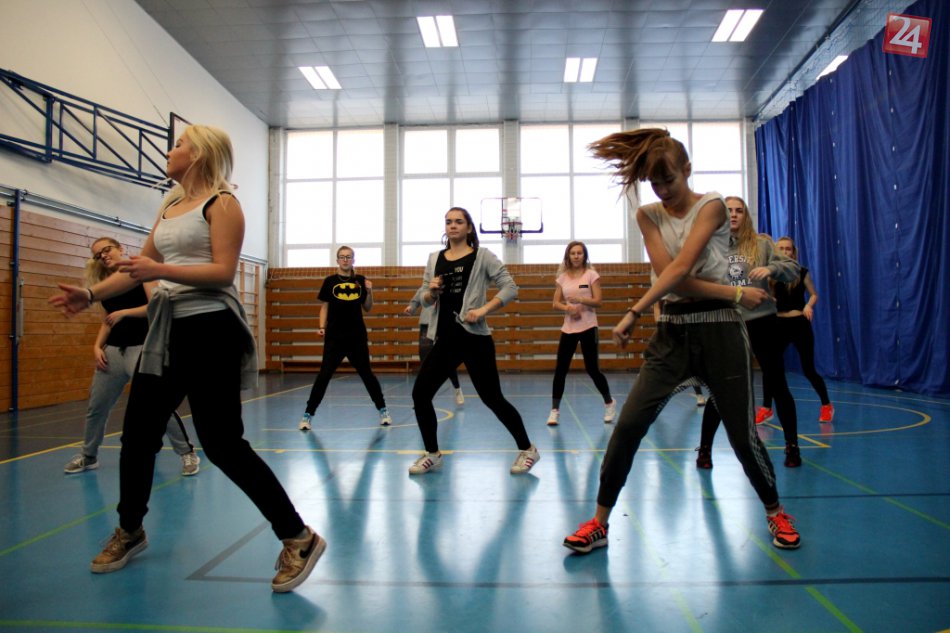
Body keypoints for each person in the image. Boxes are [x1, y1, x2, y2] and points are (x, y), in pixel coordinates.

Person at [49, 124, 324, 592]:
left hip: (211, 330)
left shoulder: (223, 203)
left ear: (198, 155)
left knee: (223, 444)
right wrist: (90, 294)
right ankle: (130, 529)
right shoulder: (170, 206)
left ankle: (298, 537)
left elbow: (222, 272)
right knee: (138, 435)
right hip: (168, 331)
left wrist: (159, 269)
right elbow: (136, 269)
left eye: (179, 144)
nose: (170, 150)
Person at [562, 128, 801, 554]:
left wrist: (635, 311)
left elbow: (679, 270)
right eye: (654, 183)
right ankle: (599, 522)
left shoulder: (712, 205)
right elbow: (675, 279)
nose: (662, 190)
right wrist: (735, 292)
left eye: (669, 179)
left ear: (687, 170)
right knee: (628, 426)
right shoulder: (647, 215)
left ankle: (775, 510)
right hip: (672, 332)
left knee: (742, 436)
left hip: (721, 331)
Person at [408, 207, 539, 475]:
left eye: (459, 221)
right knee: (420, 394)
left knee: (492, 398)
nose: (453, 225)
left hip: (474, 339)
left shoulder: (482, 256)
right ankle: (432, 453)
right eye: (448, 222)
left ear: (468, 227)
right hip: (445, 339)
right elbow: (424, 298)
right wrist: (431, 293)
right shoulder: (434, 259)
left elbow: (510, 287)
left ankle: (528, 449)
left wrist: (483, 310)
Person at [63, 237, 200, 477]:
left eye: (107, 250)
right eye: (98, 255)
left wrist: (125, 312)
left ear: (120, 248)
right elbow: (107, 320)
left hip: (142, 349)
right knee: (97, 407)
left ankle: (187, 452)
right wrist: (97, 346)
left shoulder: (140, 273)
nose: (103, 256)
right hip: (113, 353)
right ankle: (89, 456)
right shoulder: (106, 284)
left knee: (157, 405)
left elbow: (155, 305)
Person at [695, 197, 802, 469]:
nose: (733, 215)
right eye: (728, 210)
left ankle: (792, 446)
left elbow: (793, 269)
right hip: (728, 324)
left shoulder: (762, 244)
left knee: (778, 384)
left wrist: (772, 268)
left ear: (746, 215)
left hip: (763, 322)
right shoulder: (711, 246)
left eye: (739, 211)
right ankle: (704, 449)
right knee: (721, 389)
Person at [298, 246, 392, 430]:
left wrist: (370, 292)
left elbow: (368, 307)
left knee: (367, 374)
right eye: (342, 257)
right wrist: (321, 327)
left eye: (348, 257)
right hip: (334, 337)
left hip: (356, 337)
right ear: (337, 260)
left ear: (353, 260)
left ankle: (383, 411)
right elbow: (324, 306)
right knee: (324, 375)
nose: (345, 260)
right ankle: (308, 415)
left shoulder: (360, 280)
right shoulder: (330, 281)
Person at [759, 236, 834, 423]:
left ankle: (826, 405)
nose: (785, 252)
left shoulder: (801, 272)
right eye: (782, 249)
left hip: (799, 324)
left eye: (788, 249)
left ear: (793, 252)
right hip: (778, 324)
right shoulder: (771, 274)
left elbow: (814, 294)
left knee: (809, 369)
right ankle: (766, 408)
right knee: (770, 368)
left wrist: (808, 305)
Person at [547, 241, 615, 426]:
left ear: (584, 256)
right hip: (569, 328)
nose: (576, 256)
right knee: (561, 369)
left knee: (592, 369)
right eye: (573, 253)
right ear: (568, 256)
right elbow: (555, 303)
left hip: (588, 327)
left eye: (579, 253)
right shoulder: (562, 278)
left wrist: (581, 300)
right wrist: (567, 308)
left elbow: (599, 301)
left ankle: (609, 403)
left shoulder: (591, 275)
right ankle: (554, 411)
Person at [404, 290, 465, 406]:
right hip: (426, 324)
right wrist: (411, 308)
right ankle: (422, 396)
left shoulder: (447, 287)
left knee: (447, 360)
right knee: (424, 360)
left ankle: (457, 388)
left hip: (441, 324)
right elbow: (416, 300)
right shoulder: (425, 286)